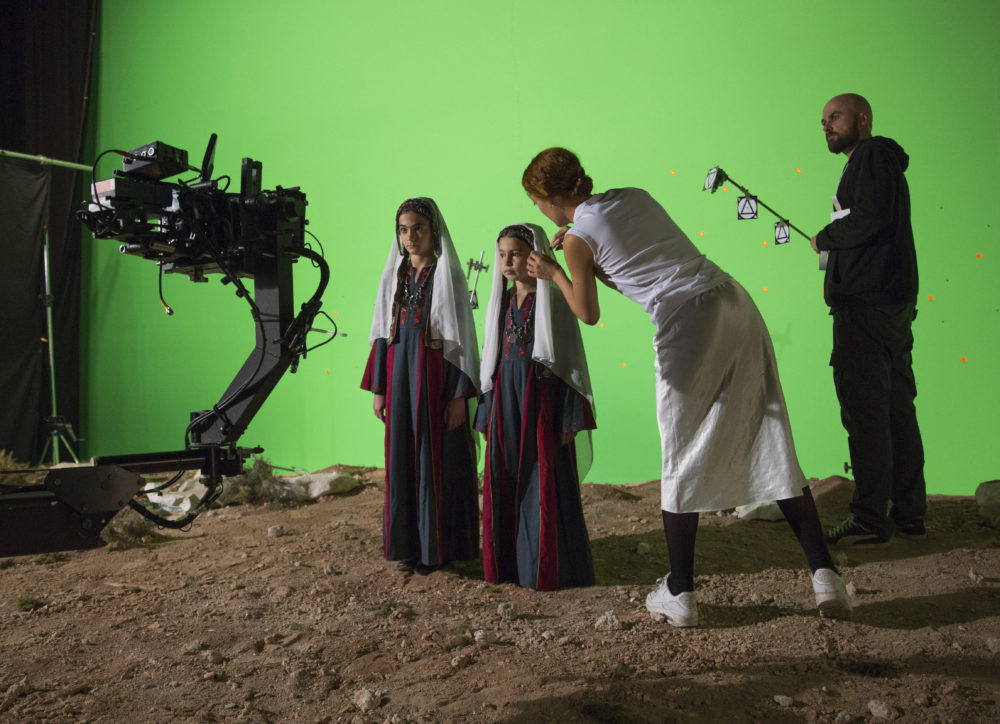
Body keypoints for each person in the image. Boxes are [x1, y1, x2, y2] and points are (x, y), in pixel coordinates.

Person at [522, 147, 851, 626]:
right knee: (770, 436)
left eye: (537, 202)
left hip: (687, 323)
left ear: (549, 199)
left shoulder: (575, 241)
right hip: (732, 300)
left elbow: (588, 313)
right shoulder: (631, 196)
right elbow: (640, 268)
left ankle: (681, 592)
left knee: (679, 453)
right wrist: (584, 255)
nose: (538, 210)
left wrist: (555, 271)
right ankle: (826, 578)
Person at [811, 93, 926, 545]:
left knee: (865, 411)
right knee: (897, 408)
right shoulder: (878, 161)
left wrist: (826, 237)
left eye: (835, 117)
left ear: (863, 118)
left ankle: (869, 517)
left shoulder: (872, 155)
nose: (827, 126)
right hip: (889, 304)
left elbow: (870, 218)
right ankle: (909, 512)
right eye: (823, 121)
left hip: (867, 307)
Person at [361, 197, 480, 574]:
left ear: (434, 231)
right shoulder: (393, 277)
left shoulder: (449, 276)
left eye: (418, 229)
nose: (410, 237)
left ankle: (439, 549)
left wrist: (459, 396)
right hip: (399, 380)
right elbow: (383, 333)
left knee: (437, 461)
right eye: (403, 229)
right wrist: (380, 387)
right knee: (402, 459)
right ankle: (407, 548)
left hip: (435, 381)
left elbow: (462, 342)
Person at [475, 222, 596, 590]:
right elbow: (491, 363)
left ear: (536, 255)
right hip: (505, 406)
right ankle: (508, 567)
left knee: (543, 481)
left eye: (516, 253)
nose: (508, 262)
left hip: (542, 406)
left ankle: (545, 569)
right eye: (502, 255)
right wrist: (486, 413)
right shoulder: (501, 305)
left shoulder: (555, 303)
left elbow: (571, 365)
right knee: (505, 478)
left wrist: (569, 419)